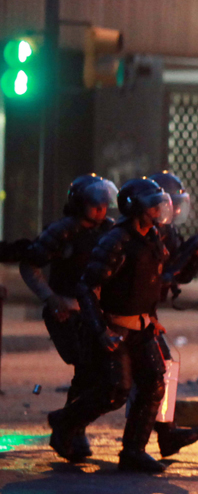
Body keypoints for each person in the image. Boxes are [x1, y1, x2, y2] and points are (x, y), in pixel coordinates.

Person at [48, 177, 181, 473]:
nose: (159, 210)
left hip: (142, 327)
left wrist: (153, 319)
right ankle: (65, 421)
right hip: (114, 327)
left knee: (154, 384)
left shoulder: (153, 237)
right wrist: (100, 330)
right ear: (136, 208)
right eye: (153, 206)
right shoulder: (115, 240)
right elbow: (87, 288)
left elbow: (149, 283)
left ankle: (134, 450)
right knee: (115, 390)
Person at [23, 174, 117, 462]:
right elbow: (30, 265)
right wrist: (50, 298)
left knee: (95, 371)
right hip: (66, 309)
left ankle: (72, 426)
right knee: (86, 367)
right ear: (79, 203)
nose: (101, 209)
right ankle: (70, 428)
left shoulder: (111, 231)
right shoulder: (62, 232)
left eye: (104, 204)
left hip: (98, 311)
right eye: (94, 203)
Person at [145, 171, 198, 458]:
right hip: (121, 315)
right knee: (105, 378)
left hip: (144, 314)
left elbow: (179, 275)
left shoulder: (167, 233)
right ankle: (68, 425)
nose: (172, 211)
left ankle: (165, 434)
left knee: (163, 367)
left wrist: (197, 253)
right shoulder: (133, 233)